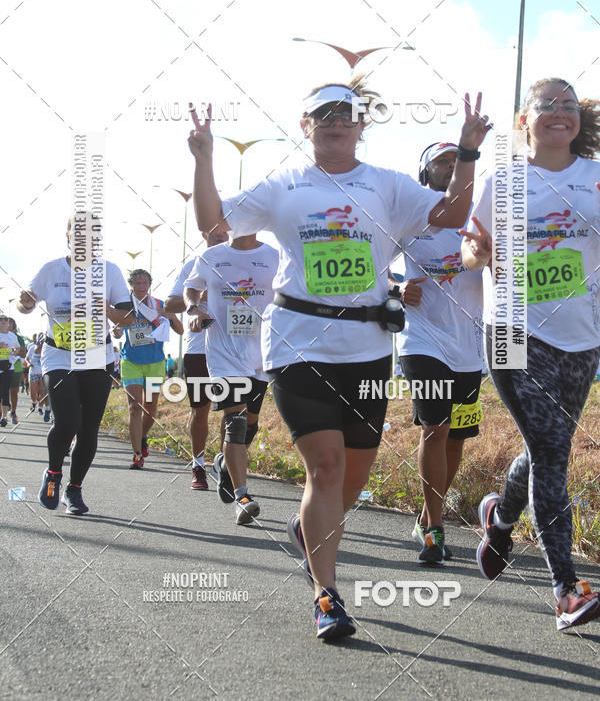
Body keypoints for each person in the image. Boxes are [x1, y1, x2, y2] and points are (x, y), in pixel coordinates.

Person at [188, 80, 490, 640]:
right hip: (298, 343)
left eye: (346, 114)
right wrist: (204, 160)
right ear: (306, 125)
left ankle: (311, 533)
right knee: (324, 468)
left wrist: (468, 153)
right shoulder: (284, 185)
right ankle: (327, 596)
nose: (334, 121)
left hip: (369, 350)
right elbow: (214, 226)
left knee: (350, 481)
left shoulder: (387, 187)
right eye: (322, 114)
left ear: (361, 126)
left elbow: (453, 214)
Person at [462, 77, 600, 631]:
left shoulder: (595, 178)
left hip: (581, 335)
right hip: (513, 330)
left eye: (569, 106)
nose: (560, 113)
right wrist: (479, 251)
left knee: (547, 448)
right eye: (548, 106)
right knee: (550, 450)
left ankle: (499, 515)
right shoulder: (507, 180)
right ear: (526, 120)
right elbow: (470, 243)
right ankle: (566, 589)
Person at [395, 142, 484, 565]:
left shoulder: (481, 214)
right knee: (435, 426)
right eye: (441, 162)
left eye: (456, 161)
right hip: (422, 340)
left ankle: (427, 513)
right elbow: (368, 262)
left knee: (455, 440)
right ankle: (434, 526)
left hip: (470, 346)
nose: (450, 167)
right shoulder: (412, 217)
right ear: (424, 171)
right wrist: (396, 289)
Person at [17, 216, 134, 515]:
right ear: (67, 236)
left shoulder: (110, 271)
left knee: (88, 428)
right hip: (59, 355)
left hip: (98, 356)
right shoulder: (51, 269)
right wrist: (26, 303)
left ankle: (75, 489)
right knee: (67, 421)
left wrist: (104, 308)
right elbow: (25, 304)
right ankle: (53, 473)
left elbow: (128, 318)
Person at [184, 234, 278, 524]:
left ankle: (224, 462)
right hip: (223, 354)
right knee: (235, 423)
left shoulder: (274, 256)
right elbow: (191, 288)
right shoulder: (211, 257)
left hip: (261, 353)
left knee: (250, 424)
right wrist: (194, 307)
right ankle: (243, 497)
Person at [165, 228, 229, 491]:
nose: (222, 234)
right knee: (200, 409)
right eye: (215, 230)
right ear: (204, 232)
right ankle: (199, 464)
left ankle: (226, 463)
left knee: (234, 410)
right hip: (199, 348)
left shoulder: (239, 262)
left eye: (226, 229)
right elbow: (169, 305)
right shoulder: (194, 264)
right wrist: (197, 298)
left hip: (232, 347)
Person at [114, 269, 183, 469]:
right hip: (131, 361)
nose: (141, 286)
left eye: (144, 282)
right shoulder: (125, 306)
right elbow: (118, 333)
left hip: (155, 362)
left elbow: (180, 330)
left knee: (150, 410)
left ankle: (142, 436)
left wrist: (171, 316)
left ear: (149, 285)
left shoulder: (159, 305)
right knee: (135, 407)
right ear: (131, 286)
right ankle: (137, 454)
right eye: (137, 283)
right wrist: (117, 330)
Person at [0, 316, 21, 427]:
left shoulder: (12, 336)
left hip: (8, 366)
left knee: (5, 392)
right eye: (1, 320)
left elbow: (17, 349)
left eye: (5, 320)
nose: (3, 322)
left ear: (9, 324)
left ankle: (4, 417)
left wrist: (14, 351)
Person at [7, 318, 27, 424]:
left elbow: (23, 353)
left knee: (14, 390)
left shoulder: (18, 338)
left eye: (9, 323)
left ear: (13, 326)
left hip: (17, 365)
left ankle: (13, 412)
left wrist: (10, 352)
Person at [26, 336, 46, 416]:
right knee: (33, 391)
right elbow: (26, 358)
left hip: (42, 372)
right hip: (33, 372)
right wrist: (28, 363)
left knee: (42, 390)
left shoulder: (46, 349)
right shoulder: (32, 348)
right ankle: (34, 402)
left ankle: (40, 407)